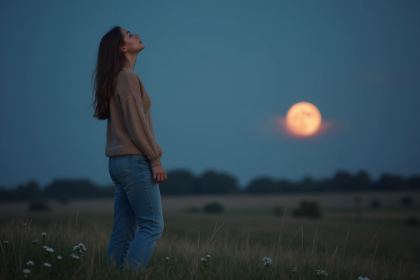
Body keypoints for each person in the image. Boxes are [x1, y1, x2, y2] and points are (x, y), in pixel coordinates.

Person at [91, 25, 167, 273]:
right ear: (123, 47)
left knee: (123, 231)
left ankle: (113, 276)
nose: (136, 35)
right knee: (152, 225)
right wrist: (155, 158)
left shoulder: (118, 78)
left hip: (118, 163)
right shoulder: (127, 77)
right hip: (135, 161)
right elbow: (137, 124)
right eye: (129, 35)